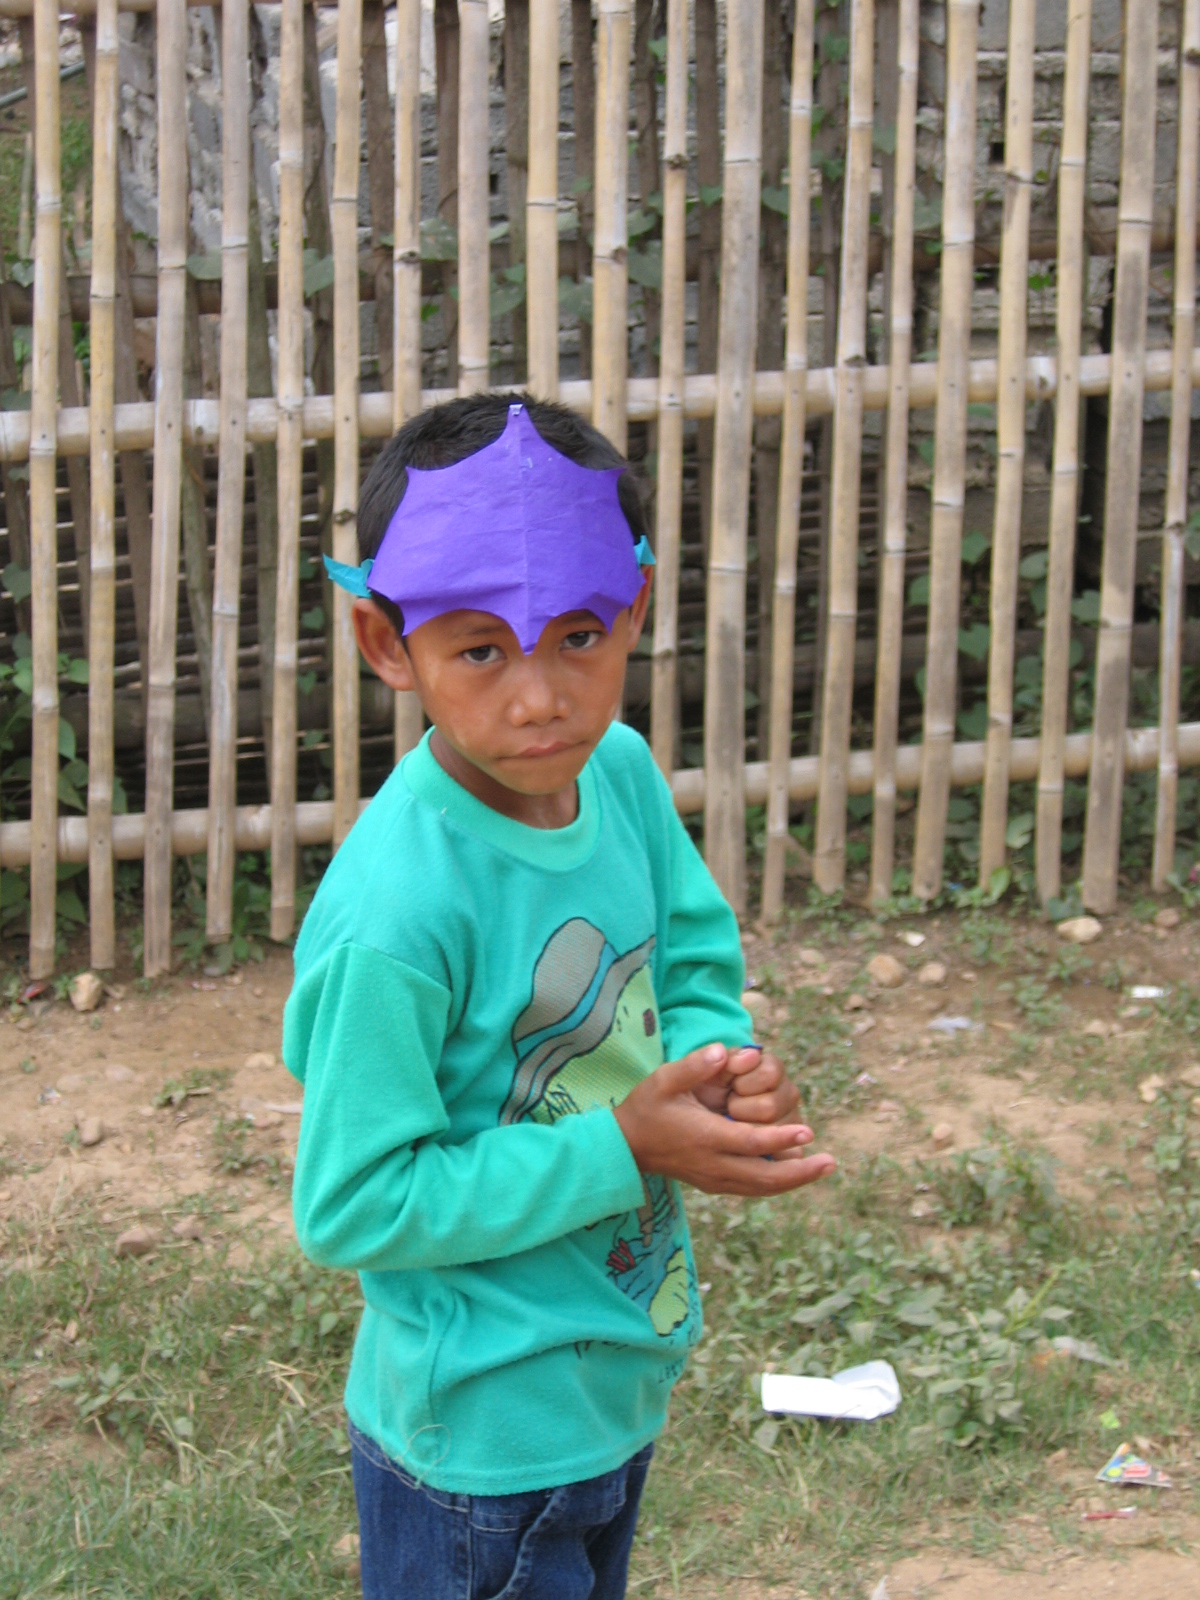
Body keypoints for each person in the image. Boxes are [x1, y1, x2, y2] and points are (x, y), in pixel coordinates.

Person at [284, 392, 836, 1600]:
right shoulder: (397, 915)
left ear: (633, 610)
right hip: (480, 1442)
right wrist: (625, 1146)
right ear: (388, 643)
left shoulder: (618, 773)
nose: (539, 696)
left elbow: (689, 952)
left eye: (579, 634)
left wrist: (719, 1067)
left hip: (610, 1376)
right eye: (481, 649)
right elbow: (351, 1203)